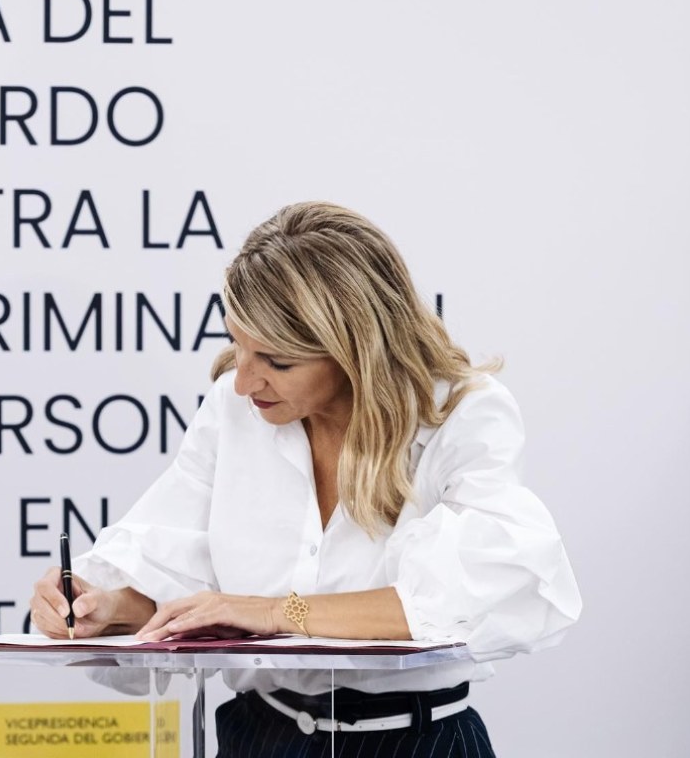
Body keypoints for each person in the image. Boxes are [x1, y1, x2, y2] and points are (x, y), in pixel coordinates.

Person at [29, 202, 581, 757]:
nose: (244, 382)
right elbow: (179, 571)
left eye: (276, 361)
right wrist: (108, 606)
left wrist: (272, 612)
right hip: (259, 736)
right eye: (238, 347)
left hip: (411, 742)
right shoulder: (234, 410)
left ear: (354, 351)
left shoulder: (459, 416)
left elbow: (467, 600)